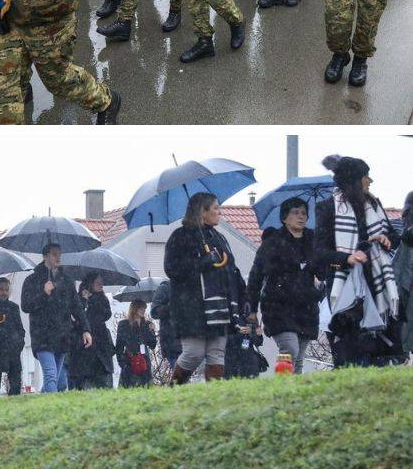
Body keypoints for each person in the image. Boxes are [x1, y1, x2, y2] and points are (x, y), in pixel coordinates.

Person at [313, 154, 405, 367]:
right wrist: (348, 258)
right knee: (349, 351)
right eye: (366, 176)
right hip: (345, 289)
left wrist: (384, 239)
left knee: (378, 352)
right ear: (355, 180)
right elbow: (319, 253)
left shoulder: (374, 205)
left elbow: (393, 235)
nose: (370, 181)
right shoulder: (327, 208)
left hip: (376, 283)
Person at [164, 192, 243, 384]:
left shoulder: (219, 237)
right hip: (191, 307)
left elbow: (232, 270)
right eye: (215, 208)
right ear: (202, 211)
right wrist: (201, 262)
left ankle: (212, 397)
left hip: (220, 307)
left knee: (217, 354)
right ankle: (173, 389)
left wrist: (244, 298)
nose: (219, 213)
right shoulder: (180, 236)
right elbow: (172, 269)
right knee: (193, 353)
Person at [245, 197, 320, 373]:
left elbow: (322, 270)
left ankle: (294, 395)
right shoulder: (272, 243)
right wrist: (251, 309)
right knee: (289, 350)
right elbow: (256, 277)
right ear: (284, 218)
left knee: (299, 356)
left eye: (303, 213)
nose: (300, 217)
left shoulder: (313, 241)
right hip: (278, 307)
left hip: (306, 307)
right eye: (295, 213)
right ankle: (282, 386)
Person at [21, 242, 91, 392]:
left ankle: (41, 406)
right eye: (54, 254)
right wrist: (43, 294)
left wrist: (86, 329)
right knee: (51, 374)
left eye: (59, 254)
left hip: (62, 335)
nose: (58, 257)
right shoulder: (32, 281)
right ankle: (51, 410)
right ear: (45, 256)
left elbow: (76, 306)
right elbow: (26, 306)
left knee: (57, 380)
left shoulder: (66, 280)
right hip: (43, 336)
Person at [68, 272, 115, 390]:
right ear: (90, 283)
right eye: (98, 282)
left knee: (104, 383)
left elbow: (105, 314)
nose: (101, 285)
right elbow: (76, 318)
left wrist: (93, 300)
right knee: (85, 384)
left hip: (101, 347)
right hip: (84, 348)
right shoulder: (79, 299)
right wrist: (84, 300)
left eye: (101, 282)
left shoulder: (102, 300)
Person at [114, 300, 159, 388]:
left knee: (146, 389)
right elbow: (119, 346)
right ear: (134, 309)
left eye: (144, 308)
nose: (143, 311)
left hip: (144, 361)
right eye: (141, 308)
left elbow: (153, 344)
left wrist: (151, 331)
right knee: (129, 390)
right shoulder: (124, 324)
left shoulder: (147, 324)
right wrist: (123, 364)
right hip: (129, 361)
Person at [151, 279, 182, 375]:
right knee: (181, 377)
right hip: (173, 344)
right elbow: (154, 312)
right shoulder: (164, 288)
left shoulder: (190, 287)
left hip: (192, 341)